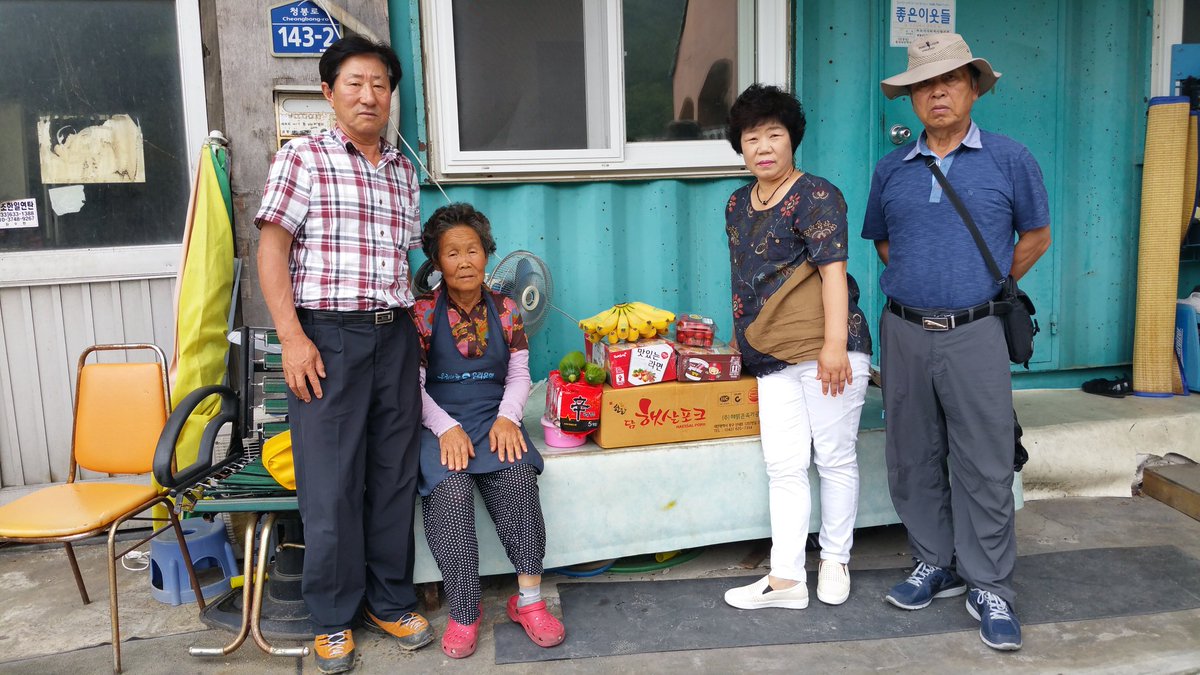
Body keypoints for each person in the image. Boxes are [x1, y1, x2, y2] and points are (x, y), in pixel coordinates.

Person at [862, 33, 1051, 652]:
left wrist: (981, 287)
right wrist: (927, 288)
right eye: (922, 84)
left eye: (949, 81)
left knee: (986, 461)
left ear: (974, 87)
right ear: (911, 98)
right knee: (911, 453)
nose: (936, 93)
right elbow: (887, 244)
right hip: (906, 331)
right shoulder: (891, 168)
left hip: (977, 332)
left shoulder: (1010, 158)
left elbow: (1035, 236)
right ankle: (933, 561)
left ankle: (990, 582)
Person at [255, 36, 432, 674]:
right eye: (355, 83)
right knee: (330, 484)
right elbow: (271, 249)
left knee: (392, 474)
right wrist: (292, 337)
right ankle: (332, 617)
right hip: (327, 337)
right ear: (329, 92)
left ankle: (389, 598)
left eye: (380, 84)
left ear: (391, 95)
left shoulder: (404, 171)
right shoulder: (302, 158)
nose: (369, 95)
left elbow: (402, 263)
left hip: (394, 335)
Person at [721, 84, 873, 612]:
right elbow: (749, 282)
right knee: (783, 465)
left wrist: (834, 346)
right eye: (752, 137)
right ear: (740, 146)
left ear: (792, 140)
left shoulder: (818, 195)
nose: (763, 146)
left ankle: (835, 559)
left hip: (828, 349)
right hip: (770, 354)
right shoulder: (737, 203)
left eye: (774, 135)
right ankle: (786, 579)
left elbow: (834, 273)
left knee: (833, 458)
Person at [411, 203, 565, 659]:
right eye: (452, 252)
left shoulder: (507, 310)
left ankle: (530, 600)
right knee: (451, 492)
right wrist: (444, 428)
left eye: (473, 250)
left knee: (516, 478)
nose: (464, 261)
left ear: (486, 253)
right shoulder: (420, 314)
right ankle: (464, 610)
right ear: (436, 262)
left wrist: (508, 417)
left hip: (494, 416)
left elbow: (519, 374)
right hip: (436, 421)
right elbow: (412, 388)